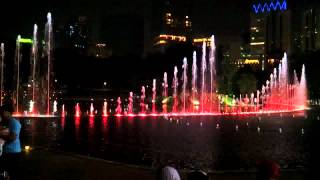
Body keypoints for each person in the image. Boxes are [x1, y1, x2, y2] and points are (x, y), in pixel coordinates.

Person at [0, 103, 22, 180]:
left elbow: (12, 138)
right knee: (5, 174)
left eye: (2, 111)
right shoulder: (6, 122)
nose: (1, 113)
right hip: (7, 152)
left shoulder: (14, 123)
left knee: (12, 174)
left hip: (13, 153)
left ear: (8, 112)